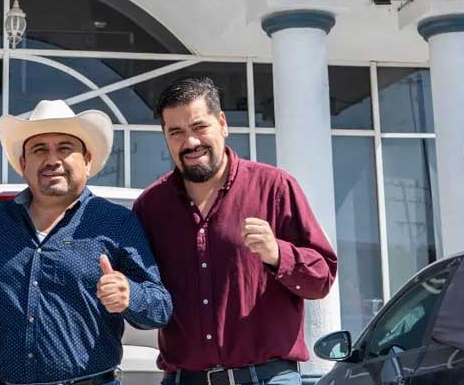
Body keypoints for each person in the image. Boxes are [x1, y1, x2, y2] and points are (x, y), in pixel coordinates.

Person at [0, 100, 172, 385]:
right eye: (39, 150)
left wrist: (130, 295)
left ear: (87, 161)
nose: (52, 160)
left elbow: (159, 308)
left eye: (65, 148)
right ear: (23, 164)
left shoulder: (116, 223)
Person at [133, 77, 337, 385]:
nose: (190, 142)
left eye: (199, 127)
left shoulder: (275, 188)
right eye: (176, 132)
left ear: (223, 124)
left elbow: (321, 279)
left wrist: (278, 254)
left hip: (267, 378)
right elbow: (145, 297)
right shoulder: (150, 207)